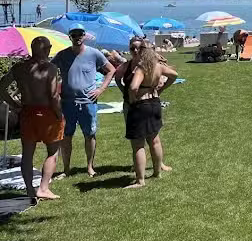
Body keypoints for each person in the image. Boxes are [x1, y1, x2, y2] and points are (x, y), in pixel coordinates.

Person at [0, 37, 63, 201]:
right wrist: (59, 114)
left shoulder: (20, 68)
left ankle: (29, 189)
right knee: (53, 151)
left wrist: (14, 103)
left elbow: (2, 87)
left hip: (27, 112)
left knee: (27, 154)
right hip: (47, 112)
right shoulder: (50, 68)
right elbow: (54, 96)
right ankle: (43, 188)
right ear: (47, 49)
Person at [52, 24, 115, 178]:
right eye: (74, 34)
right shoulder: (62, 55)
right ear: (70, 37)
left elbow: (111, 70)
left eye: (80, 34)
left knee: (90, 135)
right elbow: (49, 70)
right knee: (66, 136)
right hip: (67, 103)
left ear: (84, 36)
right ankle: (66, 169)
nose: (77, 37)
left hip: (88, 102)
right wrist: (54, 90)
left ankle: (89, 167)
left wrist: (101, 89)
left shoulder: (94, 54)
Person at [124, 45, 177, 189]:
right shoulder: (158, 67)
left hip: (141, 105)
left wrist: (132, 97)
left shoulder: (141, 68)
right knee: (155, 140)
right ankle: (157, 172)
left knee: (138, 144)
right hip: (155, 103)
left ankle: (140, 180)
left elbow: (134, 86)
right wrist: (162, 88)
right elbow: (174, 75)